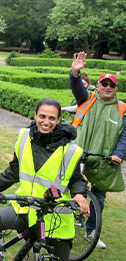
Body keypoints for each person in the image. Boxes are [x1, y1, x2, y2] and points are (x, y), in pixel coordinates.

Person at [0, 98, 90, 261]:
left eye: (52, 118)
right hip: (25, 208)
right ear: (35, 115)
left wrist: (80, 195)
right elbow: (15, 169)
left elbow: (77, 180)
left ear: (59, 120)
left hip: (54, 216)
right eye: (42, 116)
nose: (46, 122)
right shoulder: (25, 136)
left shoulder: (70, 150)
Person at [70, 52, 126, 249]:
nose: (108, 87)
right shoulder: (87, 99)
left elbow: (124, 136)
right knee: (73, 187)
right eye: (105, 84)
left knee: (99, 198)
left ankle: (91, 230)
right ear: (99, 86)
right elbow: (77, 88)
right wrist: (75, 73)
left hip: (105, 160)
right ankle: (68, 220)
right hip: (80, 154)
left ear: (116, 88)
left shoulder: (122, 109)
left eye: (112, 85)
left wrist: (119, 154)